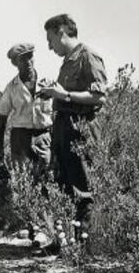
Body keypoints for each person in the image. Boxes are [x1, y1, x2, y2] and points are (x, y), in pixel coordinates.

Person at [39, 14, 107, 244]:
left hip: (80, 128)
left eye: (50, 40)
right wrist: (53, 92)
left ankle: (83, 245)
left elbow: (99, 96)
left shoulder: (88, 55)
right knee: (63, 185)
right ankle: (65, 243)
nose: (49, 46)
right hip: (63, 127)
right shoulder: (68, 60)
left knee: (83, 186)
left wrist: (64, 95)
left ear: (61, 32)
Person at [0, 43, 54, 178]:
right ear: (15, 63)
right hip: (20, 140)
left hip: (43, 139)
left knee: (46, 180)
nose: (28, 62)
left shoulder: (47, 83)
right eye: (23, 59)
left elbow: (58, 111)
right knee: (21, 181)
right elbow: (1, 120)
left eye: (30, 56)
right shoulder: (11, 88)